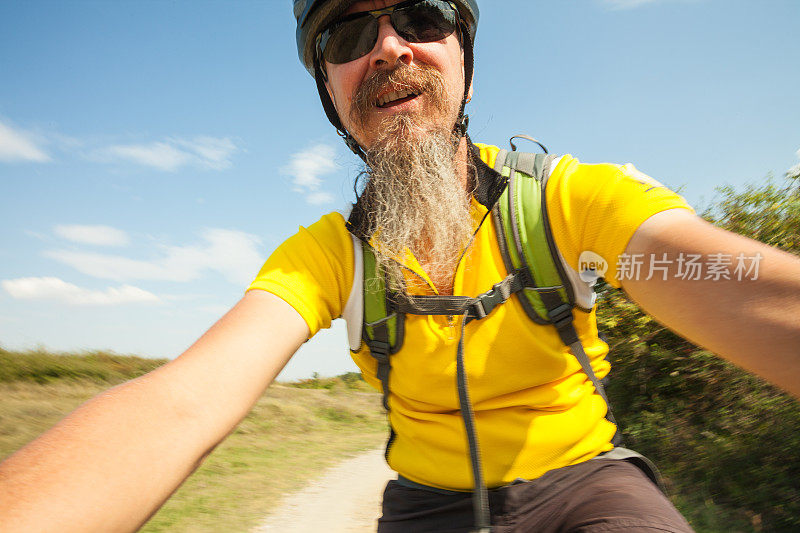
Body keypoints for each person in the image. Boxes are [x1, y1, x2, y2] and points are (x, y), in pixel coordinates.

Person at [0, 1, 798, 531]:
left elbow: (736, 285)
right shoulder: (329, 256)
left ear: (464, 60)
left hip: (583, 482)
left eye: (422, 14)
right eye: (346, 37)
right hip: (427, 503)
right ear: (330, 89)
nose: (387, 46)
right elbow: (181, 403)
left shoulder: (569, 200)